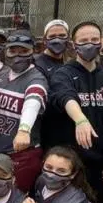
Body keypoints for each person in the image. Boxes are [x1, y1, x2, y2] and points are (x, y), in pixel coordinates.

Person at [50, 21, 103, 203]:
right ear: (74, 44)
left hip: (99, 164)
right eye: (84, 40)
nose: (90, 44)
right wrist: (80, 120)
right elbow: (64, 95)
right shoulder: (63, 73)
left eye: (94, 40)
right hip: (71, 163)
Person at [0, 29, 49, 193]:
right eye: (13, 50)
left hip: (21, 154)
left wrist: (24, 130)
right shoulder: (1, 75)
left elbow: (33, 101)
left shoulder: (36, 78)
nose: (17, 56)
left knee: (14, 201)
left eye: (23, 51)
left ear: (32, 52)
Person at [35, 19, 71, 151]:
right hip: (46, 129)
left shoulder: (70, 63)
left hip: (67, 129)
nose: (57, 40)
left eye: (62, 36)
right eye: (52, 36)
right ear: (45, 40)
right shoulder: (37, 64)